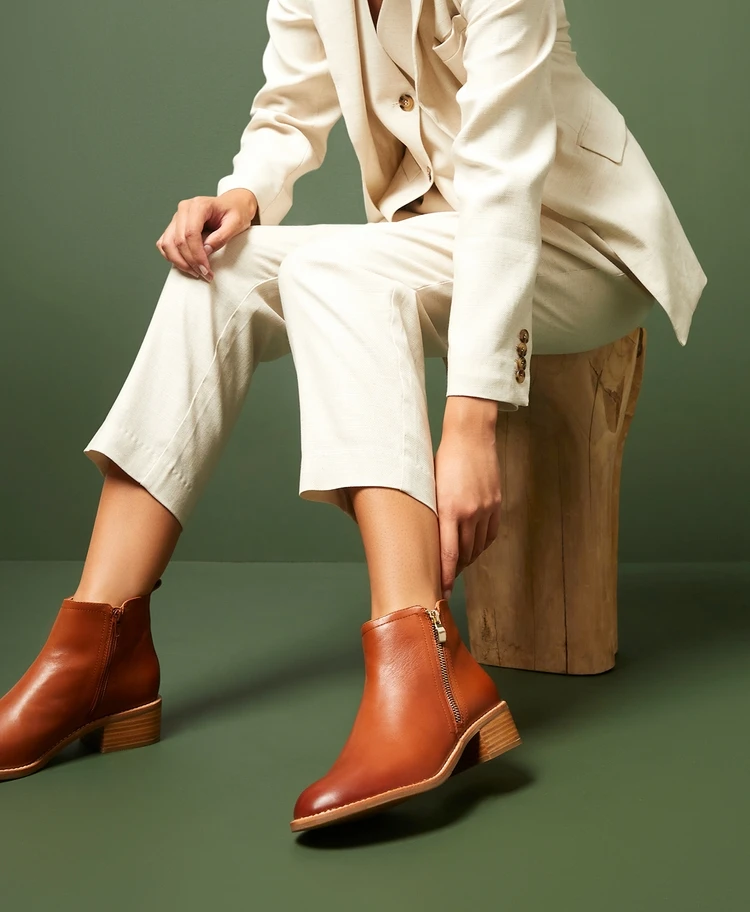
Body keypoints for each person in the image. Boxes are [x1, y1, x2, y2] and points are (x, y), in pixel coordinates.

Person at [0, 0, 705, 832]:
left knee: (338, 274)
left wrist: (470, 425)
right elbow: (290, 107)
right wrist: (245, 193)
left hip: (578, 240)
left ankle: (426, 666)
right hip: (434, 237)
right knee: (216, 274)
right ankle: (99, 650)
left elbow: (506, 177)